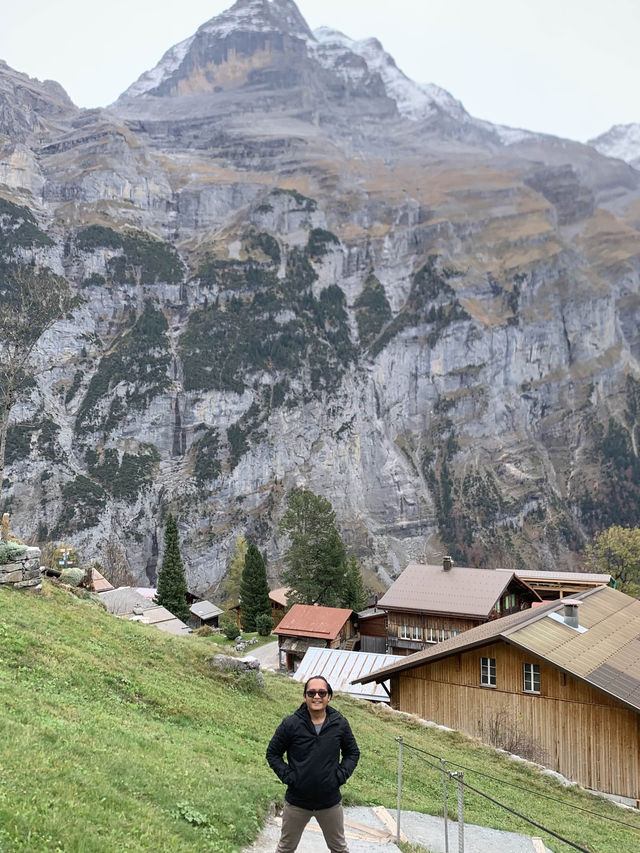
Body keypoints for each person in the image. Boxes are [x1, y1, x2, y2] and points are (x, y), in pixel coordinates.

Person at [266, 675, 360, 853]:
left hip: (330, 802)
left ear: (329, 697)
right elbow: (273, 753)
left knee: (339, 849)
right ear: (305, 697)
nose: (317, 696)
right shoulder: (290, 724)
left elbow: (352, 753)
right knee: (285, 849)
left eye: (322, 692)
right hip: (297, 802)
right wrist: (290, 777)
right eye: (311, 693)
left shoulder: (339, 723)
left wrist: (339, 777)